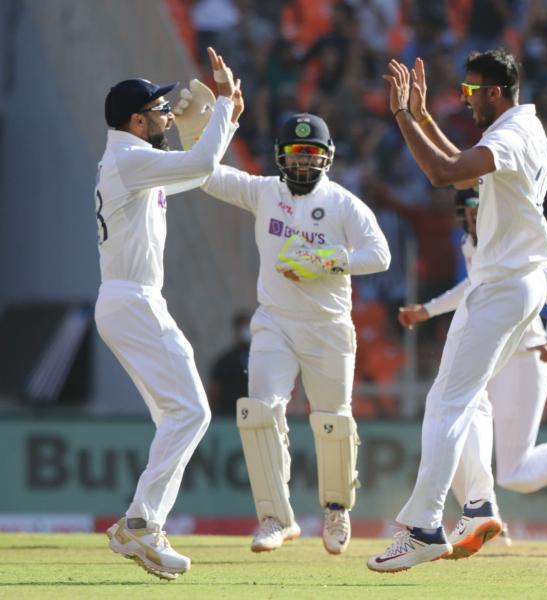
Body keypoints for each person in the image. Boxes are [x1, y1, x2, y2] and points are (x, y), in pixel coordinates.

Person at [371, 49, 547, 572]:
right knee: (468, 401)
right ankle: (477, 507)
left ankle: (425, 525)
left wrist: (403, 116)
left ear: (495, 92)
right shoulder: (526, 127)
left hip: (502, 288)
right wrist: (425, 116)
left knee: (447, 403)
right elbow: (465, 169)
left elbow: (444, 173)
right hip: (512, 284)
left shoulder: (512, 136)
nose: (466, 98)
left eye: (472, 91)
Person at [397, 189, 547, 558]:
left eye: (480, 210)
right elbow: (473, 287)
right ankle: (482, 518)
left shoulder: (517, 245)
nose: (474, 218)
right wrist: (429, 311)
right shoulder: (472, 243)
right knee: (458, 426)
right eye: (468, 211)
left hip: (526, 357)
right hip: (492, 353)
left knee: (516, 472)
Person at [198, 112, 390, 555]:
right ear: (280, 157)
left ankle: (337, 507)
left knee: (332, 420)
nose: (303, 164)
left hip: (328, 327)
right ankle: (274, 517)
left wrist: (327, 260)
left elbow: (379, 254)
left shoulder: (343, 204)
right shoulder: (264, 192)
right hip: (275, 322)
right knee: (259, 412)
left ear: (327, 158)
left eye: (312, 155)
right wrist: (202, 132)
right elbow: (210, 176)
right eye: (295, 155)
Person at [97, 47, 243, 580]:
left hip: (130, 300)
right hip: (132, 299)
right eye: (158, 110)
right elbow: (202, 164)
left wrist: (214, 123)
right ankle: (141, 523)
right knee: (193, 413)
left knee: (175, 417)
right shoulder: (130, 160)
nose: (166, 113)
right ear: (136, 121)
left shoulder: (132, 160)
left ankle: (143, 524)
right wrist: (224, 104)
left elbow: (199, 173)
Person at [209, 311, 251, 416]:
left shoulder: (259, 359)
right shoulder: (226, 360)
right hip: (229, 416)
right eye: (243, 327)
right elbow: (215, 390)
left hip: (252, 414)